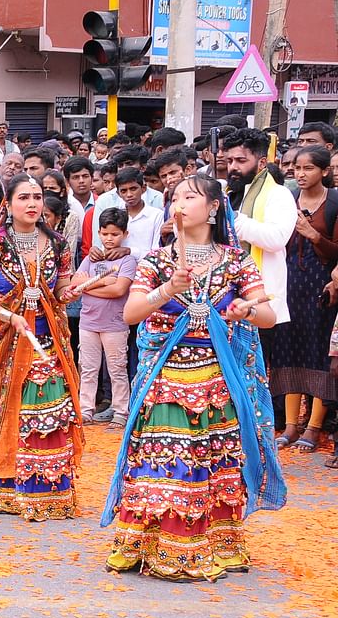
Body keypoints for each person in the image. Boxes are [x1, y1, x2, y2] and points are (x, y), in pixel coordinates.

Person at [102, 175, 285, 581]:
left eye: (191, 196)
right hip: (167, 378)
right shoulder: (157, 260)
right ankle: (155, 545)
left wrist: (244, 311)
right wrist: (166, 290)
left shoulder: (236, 261)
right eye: (176, 197)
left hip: (219, 380)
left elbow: (268, 314)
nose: (180, 203)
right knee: (167, 458)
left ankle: (217, 543)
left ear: (215, 207)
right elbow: (131, 314)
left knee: (215, 461)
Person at [0, 174, 83, 521]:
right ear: (8, 204)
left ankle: (46, 488)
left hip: (46, 339)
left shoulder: (56, 244)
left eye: (38, 197)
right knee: (2, 408)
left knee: (46, 410)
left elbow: (60, 290)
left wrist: (69, 292)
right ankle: (2, 484)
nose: (32, 204)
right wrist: (9, 316)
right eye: (23, 197)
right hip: (2, 340)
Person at [271, 146, 338, 451]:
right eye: (297, 168)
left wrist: (312, 234)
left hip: (321, 286)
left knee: (317, 352)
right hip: (288, 284)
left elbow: (335, 251)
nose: (300, 174)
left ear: (324, 171)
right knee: (288, 349)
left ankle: (313, 426)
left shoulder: (334, 202)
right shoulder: (286, 201)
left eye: (309, 168)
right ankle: (290, 425)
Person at [72, 207, 136, 428]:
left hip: (114, 324)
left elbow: (119, 290)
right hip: (88, 321)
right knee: (88, 368)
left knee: (117, 368)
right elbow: (74, 284)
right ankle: (85, 409)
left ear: (125, 234)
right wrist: (103, 281)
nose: (109, 238)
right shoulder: (91, 257)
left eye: (115, 234)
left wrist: (88, 285)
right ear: (98, 232)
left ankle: (120, 411)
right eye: (105, 234)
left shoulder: (127, 261)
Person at [223, 128, 294, 327]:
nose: (233, 167)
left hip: (259, 304)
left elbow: (276, 239)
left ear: (262, 163)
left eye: (240, 161)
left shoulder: (279, 194)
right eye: (229, 161)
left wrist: (232, 219)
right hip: (224, 299)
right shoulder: (225, 193)